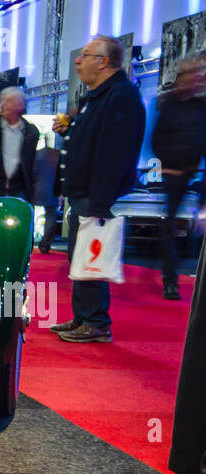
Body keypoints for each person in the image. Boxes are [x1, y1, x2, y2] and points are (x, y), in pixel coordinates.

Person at [52, 35, 146, 344]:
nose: (78, 61)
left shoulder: (120, 97)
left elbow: (113, 155)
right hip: (85, 193)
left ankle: (95, 322)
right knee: (81, 259)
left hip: (96, 197)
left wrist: (99, 203)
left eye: (86, 55)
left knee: (91, 259)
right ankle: (84, 317)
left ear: (103, 62)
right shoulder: (100, 97)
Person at [151, 56, 206, 300]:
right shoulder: (169, 105)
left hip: (196, 175)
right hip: (174, 175)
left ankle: (190, 273)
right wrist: (170, 166)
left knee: (194, 227)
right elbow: (157, 140)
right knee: (169, 226)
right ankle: (170, 281)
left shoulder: (200, 108)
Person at [33, 142, 62, 252]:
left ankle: (29, 243)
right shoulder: (57, 154)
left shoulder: (36, 154)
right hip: (52, 189)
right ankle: (45, 245)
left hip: (36, 189)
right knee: (51, 218)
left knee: (30, 215)